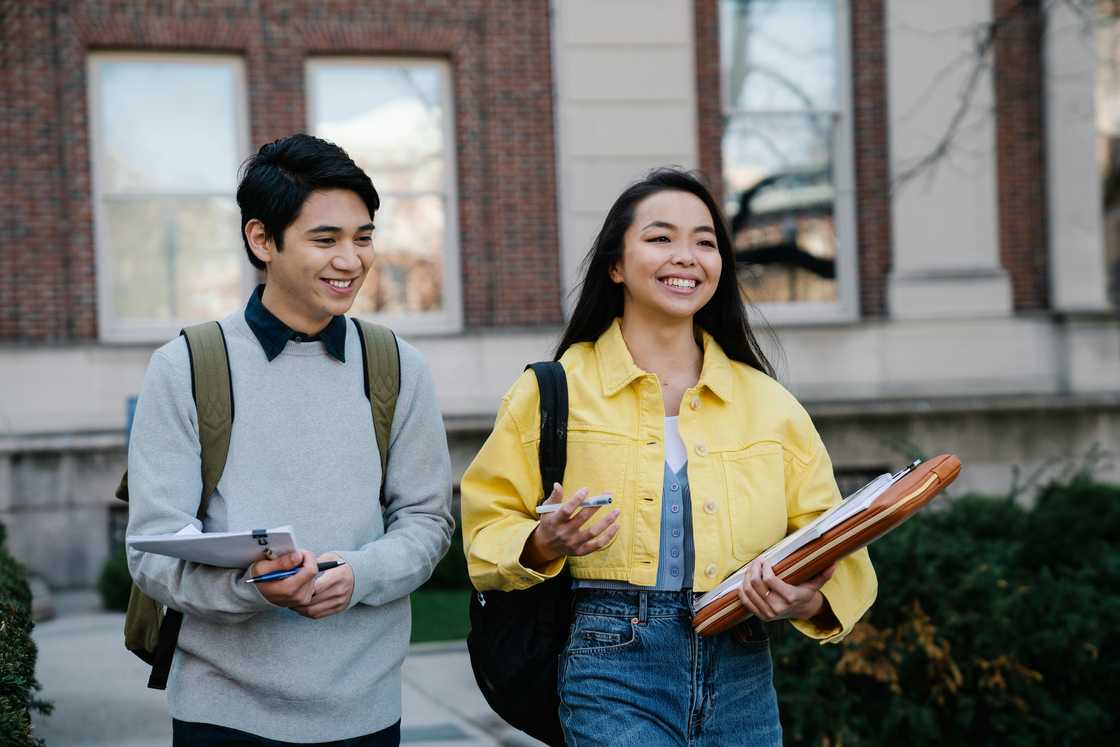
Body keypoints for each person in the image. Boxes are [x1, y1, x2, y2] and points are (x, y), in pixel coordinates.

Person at [460, 168, 876, 745]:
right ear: (615, 265)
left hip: (743, 669)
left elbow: (839, 547)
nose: (687, 257)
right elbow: (486, 530)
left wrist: (807, 598)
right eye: (660, 238)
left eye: (705, 242)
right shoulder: (551, 392)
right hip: (609, 668)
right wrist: (542, 541)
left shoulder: (770, 405)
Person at [126, 133, 454, 746]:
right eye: (325, 239)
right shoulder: (187, 366)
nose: (351, 261)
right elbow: (152, 552)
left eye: (363, 238)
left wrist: (356, 574)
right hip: (221, 713)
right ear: (261, 240)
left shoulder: (397, 365)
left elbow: (427, 521)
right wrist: (253, 586)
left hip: (367, 710)